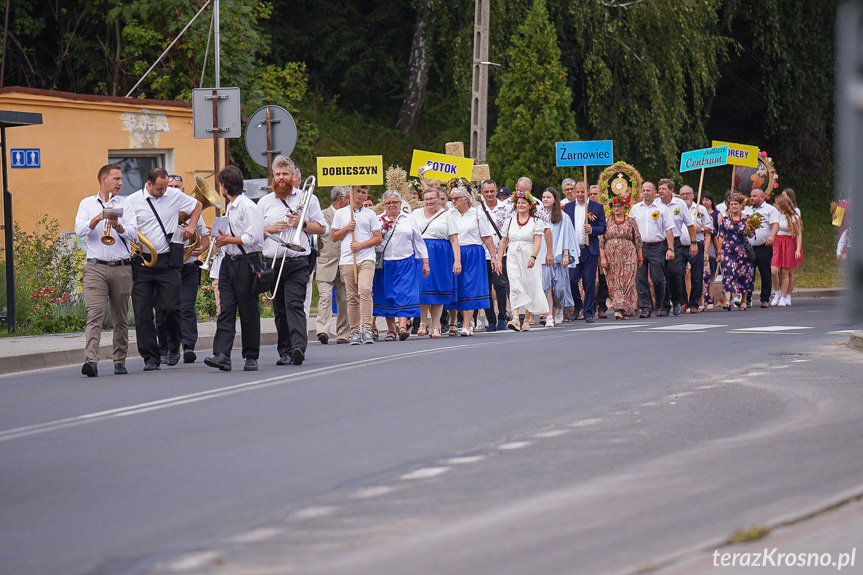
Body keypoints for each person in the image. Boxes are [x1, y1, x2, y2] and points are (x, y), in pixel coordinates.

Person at [127, 167, 202, 371]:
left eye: (165, 187)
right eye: (159, 188)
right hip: (143, 261)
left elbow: (198, 204)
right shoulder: (133, 201)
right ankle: (151, 357)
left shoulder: (173, 194)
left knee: (170, 308)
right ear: (149, 184)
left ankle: (172, 346)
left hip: (168, 260)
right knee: (142, 312)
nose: (163, 192)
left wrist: (192, 226)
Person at [258, 155, 327, 366]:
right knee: (279, 309)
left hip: (297, 260)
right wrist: (269, 229)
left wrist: (302, 223)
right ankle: (284, 351)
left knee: (294, 304)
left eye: (284, 174)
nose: (280, 178)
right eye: (277, 174)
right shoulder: (264, 202)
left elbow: (323, 228)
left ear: (293, 175)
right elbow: (253, 234)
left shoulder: (307, 199)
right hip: (273, 261)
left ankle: (298, 347)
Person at [74, 164, 138, 377]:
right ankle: (91, 361)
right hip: (95, 267)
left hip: (121, 267)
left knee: (120, 317)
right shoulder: (87, 203)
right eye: (116, 179)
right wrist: (97, 218)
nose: (120, 183)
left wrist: (118, 226)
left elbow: (133, 233)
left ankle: (119, 360)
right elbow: (80, 230)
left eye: (121, 179)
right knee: (94, 316)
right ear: (103, 180)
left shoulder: (125, 203)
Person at [202, 166, 264, 371]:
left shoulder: (248, 207)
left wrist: (228, 239)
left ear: (224, 186)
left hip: (246, 262)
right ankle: (222, 355)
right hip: (228, 262)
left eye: (220, 184)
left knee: (248, 310)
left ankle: (251, 356)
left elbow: (254, 238)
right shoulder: (229, 207)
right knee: (226, 309)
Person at [155, 173, 210, 365]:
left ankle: (188, 348)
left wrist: (201, 247)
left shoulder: (193, 213)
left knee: (186, 308)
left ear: (183, 191)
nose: (172, 189)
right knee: (163, 310)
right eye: (169, 186)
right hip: (165, 268)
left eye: (176, 186)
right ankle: (164, 349)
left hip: (187, 268)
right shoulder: (160, 211)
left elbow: (204, 237)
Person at [373, 190, 429, 340]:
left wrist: (425, 262)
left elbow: (418, 241)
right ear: (383, 204)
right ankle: (391, 329)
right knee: (387, 295)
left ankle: (402, 326)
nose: (392, 205)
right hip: (385, 263)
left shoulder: (409, 219)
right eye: (388, 203)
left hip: (406, 261)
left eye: (394, 202)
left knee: (404, 293)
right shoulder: (377, 220)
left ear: (400, 203)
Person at [331, 185, 382, 344]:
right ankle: (354, 331)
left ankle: (367, 328)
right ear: (351, 193)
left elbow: (377, 238)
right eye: (358, 191)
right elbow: (334, 237)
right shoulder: (340, 213)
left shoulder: (370, 214)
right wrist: (347, 228)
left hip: (366, 257)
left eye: (364, 192)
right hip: (347, 259)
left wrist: (361, 245)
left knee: (365, 290)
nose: (361, 195)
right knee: (352, 296)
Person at [447, 185, 498, 336]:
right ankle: (468, 321)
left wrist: (493, 257)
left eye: (456, 198)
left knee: (470, 288)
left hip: (473, 253)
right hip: (456, 253)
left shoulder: (477, 214)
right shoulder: (450, 214)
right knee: (459, 288)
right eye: (452, 198)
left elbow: (486, 237)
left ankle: (466, 324)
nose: (454, 201)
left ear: (466, 199)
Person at [412, 187, 461, 338]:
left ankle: (436, 326)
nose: (429, 202)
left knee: (438, 289)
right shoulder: (415, 214)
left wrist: (457, 260)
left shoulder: (446, 215)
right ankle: (422, 323)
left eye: (432, 199)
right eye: (426, 199)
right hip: (421, 253)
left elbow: (454, 239)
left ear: (439, 199)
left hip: (441, 254)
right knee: (422, 289)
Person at [495, 190, 548, 330]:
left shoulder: (536, 221)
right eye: (518, 203)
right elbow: (503, 242)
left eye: (524, 203)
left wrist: (533, 256)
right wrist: (499, 260)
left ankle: (527, 321)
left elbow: (538, 241)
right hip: (513, 255)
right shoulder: (510, 221)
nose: (520, 205)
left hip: (529, 255)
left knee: (529, 285)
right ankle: (516, 318)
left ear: (530, 205)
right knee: (514, 284)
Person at [562, 179, 606, 323]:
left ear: (587, 192)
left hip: (589, 249)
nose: (580, 194)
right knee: (572, 279)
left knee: (589, 281)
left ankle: (588, 311)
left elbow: (603, 227)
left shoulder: (596, 207)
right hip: (574, 250)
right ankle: (577, 305)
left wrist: (592, 229)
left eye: (582, 192)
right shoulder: (567, 208)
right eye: (578, 192)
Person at [628, 181, 674, 318]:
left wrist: (670, 248)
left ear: (654, 193)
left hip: (656, 246)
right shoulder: (635, 209)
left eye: (648, 190)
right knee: (640, 278)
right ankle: (645, 308)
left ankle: (659, 304)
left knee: (658, 278)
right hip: (640, 247)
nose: (646, 193)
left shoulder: (661, 209)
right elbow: (630, 228)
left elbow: (669, 229)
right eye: (643, 190)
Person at [315, 186, 351, 344]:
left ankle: (343, 332)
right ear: (340, 199)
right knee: (325, 297)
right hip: (325, 263)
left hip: (344, 263)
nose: (351, 201)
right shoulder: (322, 215)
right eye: (349, 198)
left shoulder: (350, 216)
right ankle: (322, 331)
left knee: (344, 299)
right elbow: (314, 239)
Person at [538, 187, 578, 327]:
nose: (545, 200)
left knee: (559, 288)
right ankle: (549, 315)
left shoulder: (563, 216)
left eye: (548, 197)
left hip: (559, 256)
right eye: (543, 197)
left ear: (555, 199)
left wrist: (565, 255)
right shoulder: (538, 216)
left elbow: (566, 236)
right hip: (544, 256)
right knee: (547, 285)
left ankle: (559, 307)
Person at [657, 179, 696, 316]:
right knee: (661, 274)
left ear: (671, 190)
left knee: (674, 272)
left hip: (676, 242)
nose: (661, 191)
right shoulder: (655, 204)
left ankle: (677, 300)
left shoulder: (680, 204)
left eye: (664, 189)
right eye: (659, 188)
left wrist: (693, 242)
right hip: (659, 242)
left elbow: (690, 224)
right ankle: (665, 304)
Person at [599, 196, 642, 319]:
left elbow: (637, 240)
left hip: (629, 255)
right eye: (614, 206)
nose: (616, 208)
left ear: (624, 207)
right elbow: (601, 242)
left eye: (619, 206)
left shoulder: (630, 221)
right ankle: (618, 308)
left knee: (627, 281)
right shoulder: (607, 222)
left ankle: (625, 308)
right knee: (614, 281)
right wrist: (603, 258)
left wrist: (640, 258)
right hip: (611, 256)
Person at [477, 179, 511, 332]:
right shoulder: (477, 209)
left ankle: (503, 316)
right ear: (482, 193)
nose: (489, 194)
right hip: (482, 254)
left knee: (500, 285)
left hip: (501, 252)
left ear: (496, 191)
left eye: (492, 191)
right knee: (485, 287)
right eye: (486, 192)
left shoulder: (507, 208)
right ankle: (490, 319)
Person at [717, 193, 755, 311]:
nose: (733, 206)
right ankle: (727, 300)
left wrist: (749, 231)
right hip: (728, 250)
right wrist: (719, 252)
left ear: (741, 205)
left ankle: (743, 300)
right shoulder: (725, 220)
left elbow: (752, 234)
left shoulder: (747, 219)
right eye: (731, 204)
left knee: (743, 274)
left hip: (743, 251)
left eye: (735, 204)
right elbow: (721, 235)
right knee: (728, 273)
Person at [743, 187, 779, 308]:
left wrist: (772, 237)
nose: (751, 198)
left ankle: (764, 299)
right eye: (751, 196)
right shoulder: (747, 211)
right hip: (750, 246)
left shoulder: (770, 210)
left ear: (761, 197)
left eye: (754, 196)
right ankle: (747, 299)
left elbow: (775, 224)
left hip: (764, 246)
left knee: (765, 272)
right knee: (749, 273)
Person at [679, 185, 712, 313]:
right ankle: (683, 301)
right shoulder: (676, 208)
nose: (685, 196)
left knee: (696, 275)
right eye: (682, 194)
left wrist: (700, 229)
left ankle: (694, 303)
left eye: (688, 193)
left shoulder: (701, 209)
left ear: (693, 195)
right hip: (680, 245)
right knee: (679, 273)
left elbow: (710, 227)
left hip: (697, 244)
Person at [770, 195, 803, 307]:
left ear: (782, 205)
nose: (775, 205)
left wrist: (798, 249)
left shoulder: (793, 217)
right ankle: (777, 292)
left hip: (787, 243)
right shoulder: (775, 215)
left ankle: (783, 297)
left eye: (777, 203)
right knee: (774, 270)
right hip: (776, 242)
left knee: (785, 272)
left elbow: (798, 234)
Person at [701, 192, 722, 310]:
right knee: (702, 275)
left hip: (711, 245)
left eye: (707, 199)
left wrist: (719, 249)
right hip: (699, 242)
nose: (705, 202)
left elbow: (717, 233)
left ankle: (710, 298)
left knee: (711, 274)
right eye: (703, 199)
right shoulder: (697, 214)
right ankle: (702, 298)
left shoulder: (716, 214)